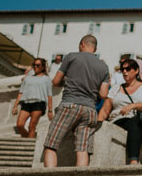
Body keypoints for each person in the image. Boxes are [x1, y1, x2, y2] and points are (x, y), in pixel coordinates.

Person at [42, 35, 110, 168]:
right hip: (90, 110)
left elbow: (55, 82)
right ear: (95, 48)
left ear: (82, 44)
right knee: (82, 149)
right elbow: (103, 94)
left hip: (70, 104)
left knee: (51, 145)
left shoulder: (72, 57)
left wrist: (68, 80)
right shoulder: (104, 66)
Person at [98, 58, 142, 165]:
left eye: (128, 69)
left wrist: (132, 106)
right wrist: (99, 125)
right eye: (122, 69)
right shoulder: (116, 88)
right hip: (120, 120)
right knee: (134, 123)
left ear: (136, 70)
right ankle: (133, 161)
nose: (124, 72)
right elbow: (105, 110)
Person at [11, 58, 53, 138]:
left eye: (38, 65)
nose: (35, 67)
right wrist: (15, 106)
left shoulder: (46, 79)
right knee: (19, 125)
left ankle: (28, 147)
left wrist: (50, 110)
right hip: (26, 103)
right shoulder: (27, 78)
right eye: (34, 65)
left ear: (43, 67)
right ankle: (28, 140)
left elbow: (49, 95)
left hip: (39, 103)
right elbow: (21, 92)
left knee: (32, 126)